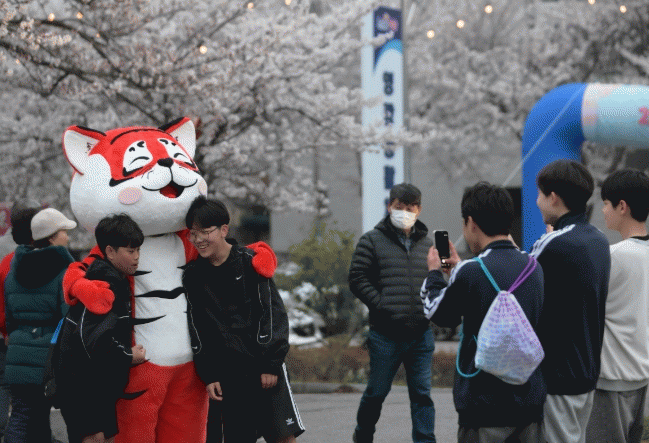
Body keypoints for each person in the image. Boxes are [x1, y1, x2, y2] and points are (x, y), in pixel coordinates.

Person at [420, 182, 546, 443]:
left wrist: (434, 274)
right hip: (528, 399)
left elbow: (440, 314)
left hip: (483, 402)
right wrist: (459, 270)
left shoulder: (471, 271)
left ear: (471, 222)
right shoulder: (534, 267)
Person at [181, 196, 304, 443]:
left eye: (205, 232)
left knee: (283, 438)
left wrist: (270, 364)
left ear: (224, 230)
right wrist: (209, 374)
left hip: (263, 367)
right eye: (193, 234)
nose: (199, 239)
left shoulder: (250, 262)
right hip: (228, 375)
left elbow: (272, 314)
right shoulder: (193, 276)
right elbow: (197, 328)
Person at [530, 159, 610, 443]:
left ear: (553, 198)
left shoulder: (553, 243)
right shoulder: (599, 240)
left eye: (540, 195)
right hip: (587, 370)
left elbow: (515, 282)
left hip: (557, 374)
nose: (537, 202)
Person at [349, 183, 436, 443]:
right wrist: (381, 304)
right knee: (376, 393)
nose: (404, 213)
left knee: (422, 396)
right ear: (389, 207)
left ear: (419, 210)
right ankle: (363, 435)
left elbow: (437, 280)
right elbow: (357, 278)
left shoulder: (428, 244)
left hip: (421, 333)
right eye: (400, 207)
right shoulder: (371, 240)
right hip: (385, 334)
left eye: (410, 208)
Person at [57, 214, 147, 443]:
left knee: (105, 437)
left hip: (98, 384)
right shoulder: (102, 284)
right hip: (82, 384)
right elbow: (95, 341)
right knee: (95, 438)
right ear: (109, 251)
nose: (137, 257)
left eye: (138, 250)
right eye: (130, 251)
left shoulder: (115, 278)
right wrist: (128, 355)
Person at [585, 169, 649, 443]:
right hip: (641, 377)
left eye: (606, 204)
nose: (603, 210)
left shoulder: (612, 257)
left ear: (622, 207)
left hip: (611, 379)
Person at [3, 208, 76, 443]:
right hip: (47, 356)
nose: (67, 237)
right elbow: (68, 318)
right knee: (33, 417)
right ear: (52, 237)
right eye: (64, 232)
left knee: (25, 415)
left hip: (18, 352)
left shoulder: (14, 270)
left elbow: (10, 316)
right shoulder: (64, 271)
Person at [0, 205, 40, 442]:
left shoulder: (7, 262)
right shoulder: (47, 262)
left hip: (10, 339)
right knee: (28, 406)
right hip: (34, 341)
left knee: (11, 392)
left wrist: (6, 331)